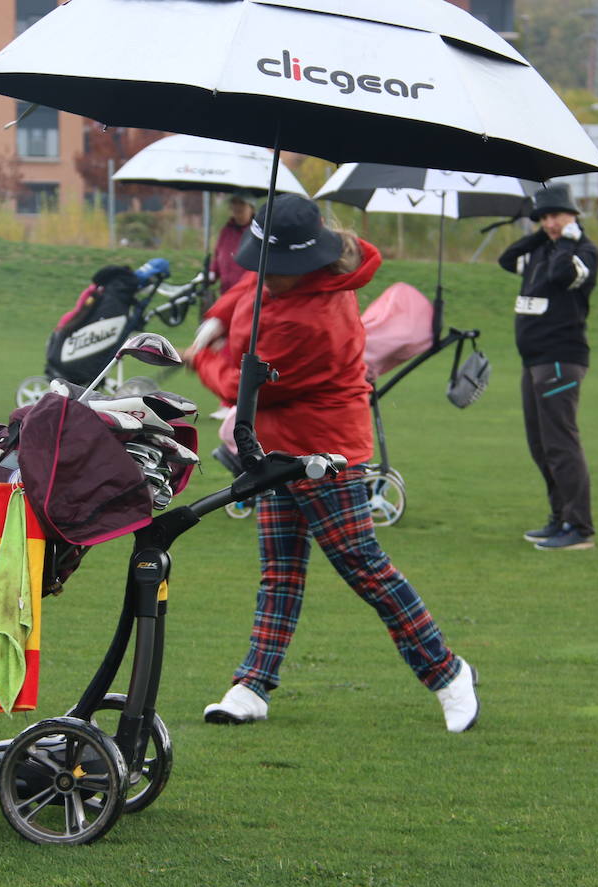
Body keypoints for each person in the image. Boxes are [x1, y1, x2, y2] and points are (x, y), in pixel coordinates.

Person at [185, 194, 479, 733]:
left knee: (364, 567)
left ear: (307, 264)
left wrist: (200, 357)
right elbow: (248, 289)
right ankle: (252, 685)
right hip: (277, 448)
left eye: (278, 269)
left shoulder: (315, 319)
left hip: (325, 452)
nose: (267, 277)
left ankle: (448, 672)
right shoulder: (287, 279)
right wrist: (216, 318)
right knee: (280, 572)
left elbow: (243, 386)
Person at [497, 183, 598, 551]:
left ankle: (579, 527)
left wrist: (570, 239)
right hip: (534, 361)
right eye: (544, 217)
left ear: (573, 216)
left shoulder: (583, 253)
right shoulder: (541, 249)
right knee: (540, 445)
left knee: (561, 443)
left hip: (560, 359)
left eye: (556, 215)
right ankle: (560, 517)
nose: (550, 223)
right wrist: (541, 233)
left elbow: (561, 275)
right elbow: (507, 259)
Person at [208, 194, 255, 293]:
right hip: (226, 292)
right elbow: (218, 256)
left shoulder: (256, 234)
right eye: (234, 202)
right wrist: (211, 273)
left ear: (251, 208)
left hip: (247, 294)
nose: (237, 207)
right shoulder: (226, 231)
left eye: (242, 203)